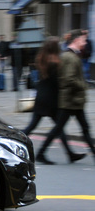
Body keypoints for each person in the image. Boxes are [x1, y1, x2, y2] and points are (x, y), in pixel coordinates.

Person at [36, 29, 95, 165]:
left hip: (74, 101)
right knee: (58, 129)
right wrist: (83, 85)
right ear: (76, 41)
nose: (85, 42)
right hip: (69, 101)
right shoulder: (69, 57)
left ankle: (85, 153)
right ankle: (41, 153)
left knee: (84, 128)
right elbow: (68, 79)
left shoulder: (72, 56)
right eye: (83, 40)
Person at [22, 36, 84, 163]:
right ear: (56, 48)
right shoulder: (56, 62)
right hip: (51, 99)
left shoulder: (41, 59)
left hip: (40, 97)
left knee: (32, 126)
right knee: (59, 128)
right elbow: (58, 82)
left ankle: (14, 139)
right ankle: (59, 153)